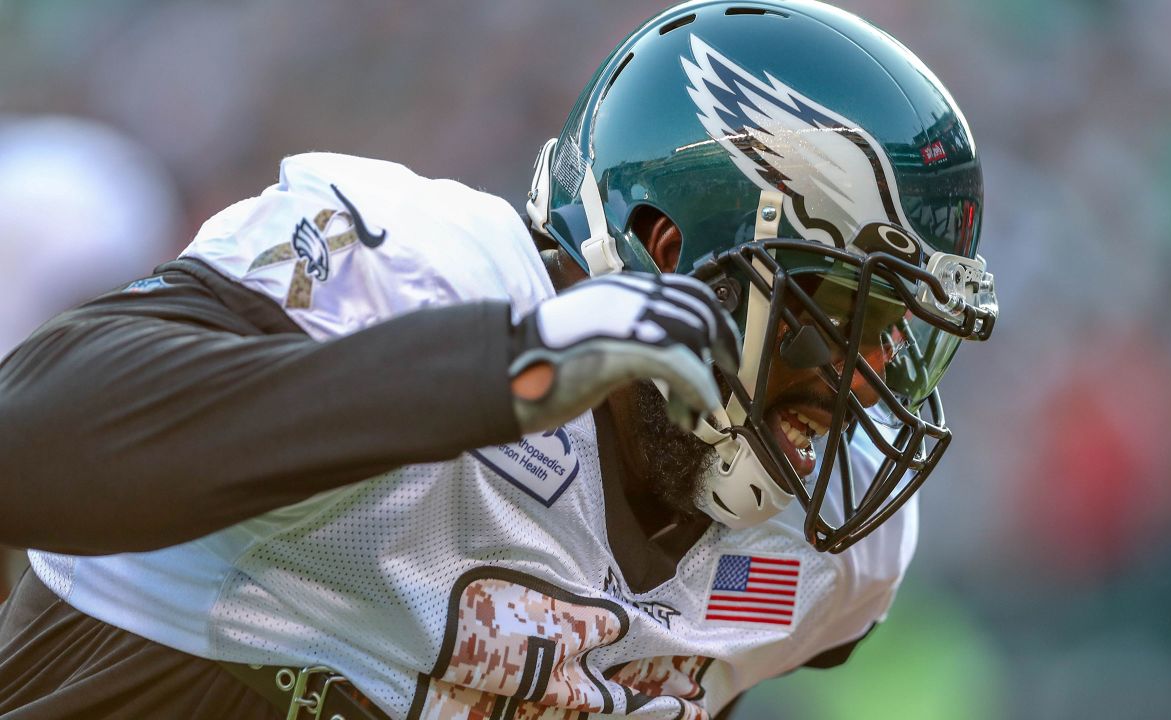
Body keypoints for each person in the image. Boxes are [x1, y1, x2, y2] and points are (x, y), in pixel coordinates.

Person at [0, 1, 998, 718]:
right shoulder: (437, 281)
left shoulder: (827, 559)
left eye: (895, 340)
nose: (863, 383)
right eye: (834, 320)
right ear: (666, 247)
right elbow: (26, 452)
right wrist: (500, 373)